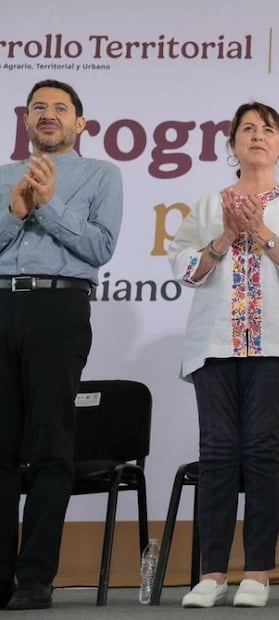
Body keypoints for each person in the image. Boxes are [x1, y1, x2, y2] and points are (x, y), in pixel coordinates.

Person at [167, 101, 279, 608]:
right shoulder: (207, 204)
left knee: (262, 449)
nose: (257, 136)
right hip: (215, 343)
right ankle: (212, 573)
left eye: (268, 130)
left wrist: (260, 232)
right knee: (217, 454)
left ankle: (257, 572)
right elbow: (186, 268)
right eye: (247, 129)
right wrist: (226, 237)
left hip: (277, 342)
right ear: (232, 143)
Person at [0, 79, 123, 610]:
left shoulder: (101, 174)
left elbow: (99, 246)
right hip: (2, 303)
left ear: (80, 124)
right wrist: (17, 211)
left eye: (59, 108)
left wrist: (47, 206)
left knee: (51, 443)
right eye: (38, 108)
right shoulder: (5, 176)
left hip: (59, 307)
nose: (47, 115)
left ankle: (35, 576)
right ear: (26, 121)